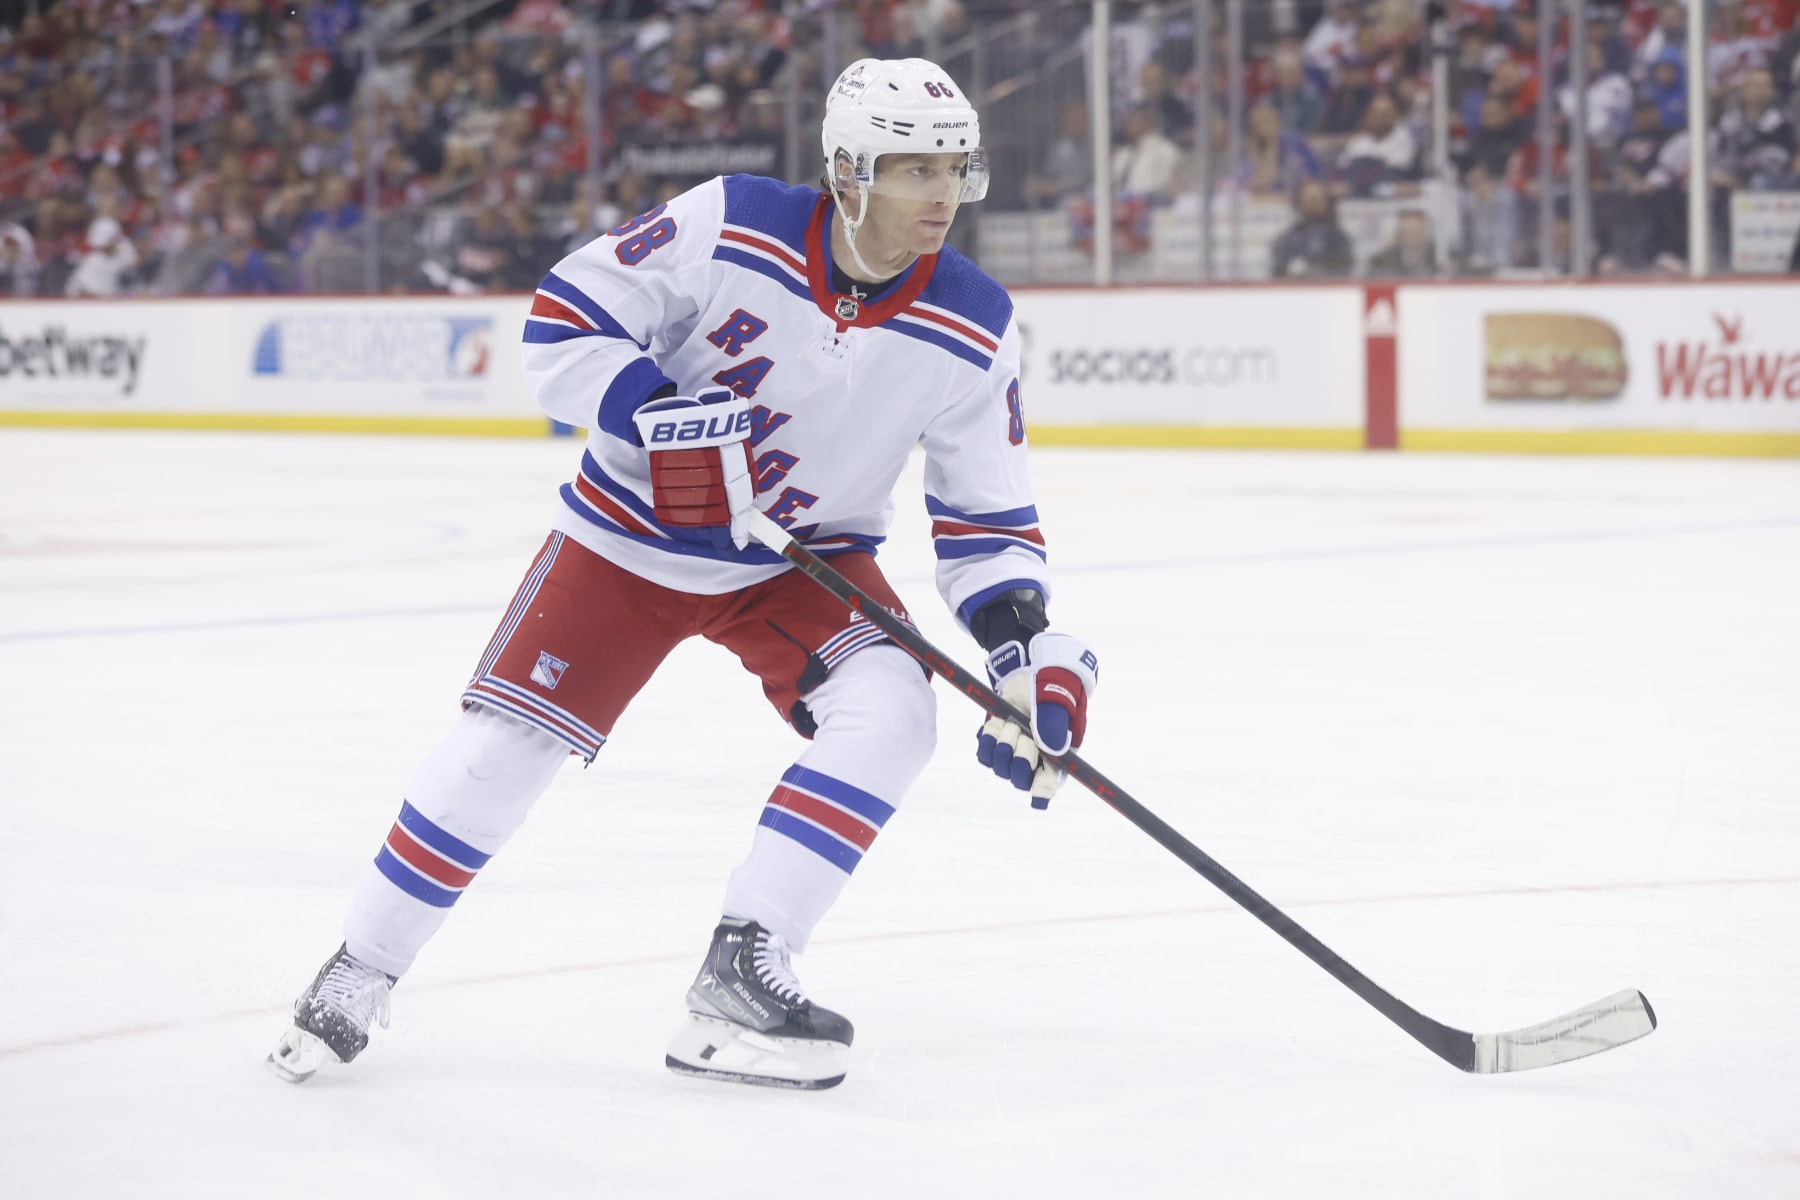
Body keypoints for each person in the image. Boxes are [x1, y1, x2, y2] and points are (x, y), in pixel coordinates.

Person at [266, 57, 1099, 1092]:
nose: (940, 195)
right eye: (911, 169)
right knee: (503, 749)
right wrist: (654, 409)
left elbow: (984, 512)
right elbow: (566, 318)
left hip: (805, 558)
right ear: (847, 170)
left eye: (953, 169)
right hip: (629, 533)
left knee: (893, 709)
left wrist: (1023, 646)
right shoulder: (733, 220)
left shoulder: (974, 321)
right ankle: (362, 966)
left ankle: (744, 967)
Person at [1270, 180, 1355, 278]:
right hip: (1292, 290)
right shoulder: (1290, 236)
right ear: (1299, 202)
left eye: (1317, 199)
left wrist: (1310, 268)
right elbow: (1278, 268)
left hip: (1325, 289)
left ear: (1326, 202)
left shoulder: (1337, 237)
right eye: (1309, 199)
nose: (1313, 204)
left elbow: (1343, 267)